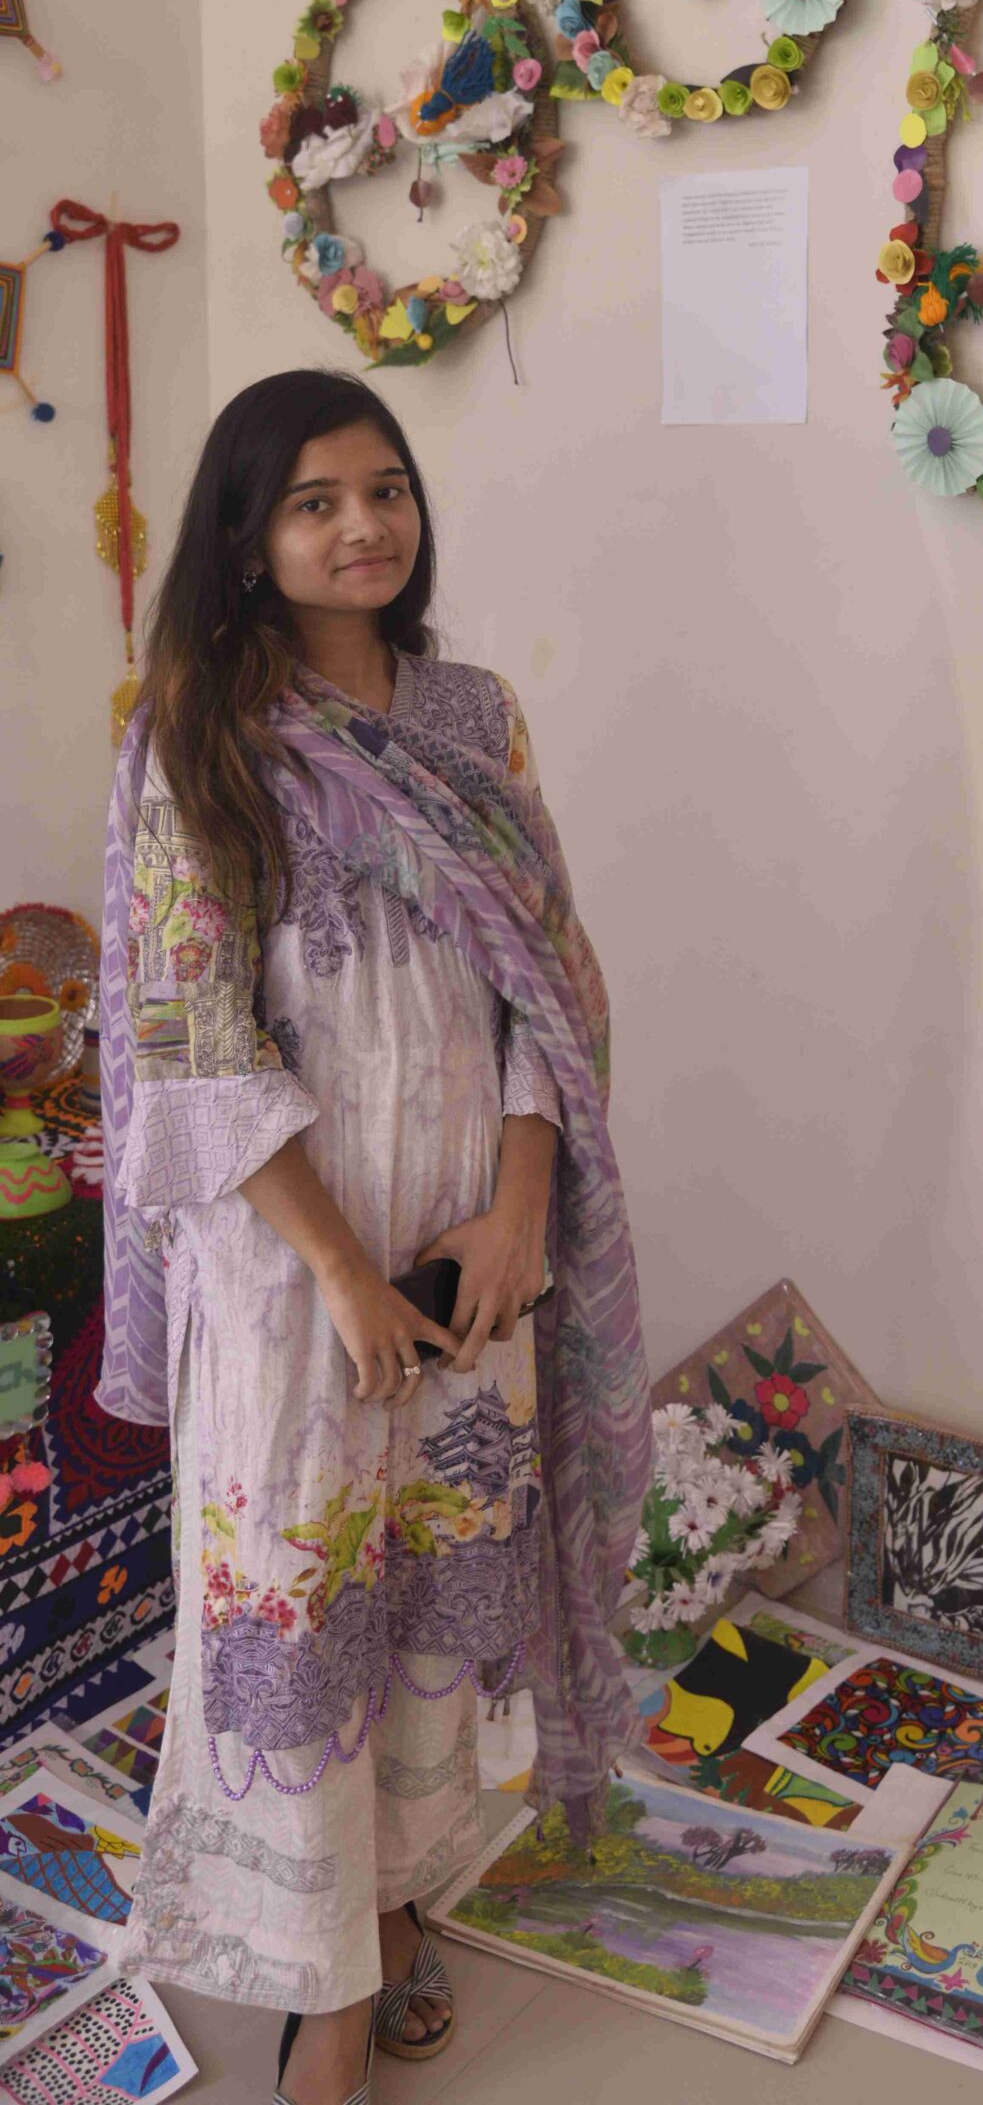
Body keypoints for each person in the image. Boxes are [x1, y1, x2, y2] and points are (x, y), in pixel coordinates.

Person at [97, 370, 651, 2105]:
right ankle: (320, 1988)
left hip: (467, 1246)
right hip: (292, 1270)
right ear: (247, 538)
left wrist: (521, 1205)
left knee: (431, 1584)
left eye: (387, 488)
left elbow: (546, 986)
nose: (365, 526)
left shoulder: (472, 715)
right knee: (298, 1602)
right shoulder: (198, 732)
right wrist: (338, 1269)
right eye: (316, 501)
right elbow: (192, 1031)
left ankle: (400, 1901)